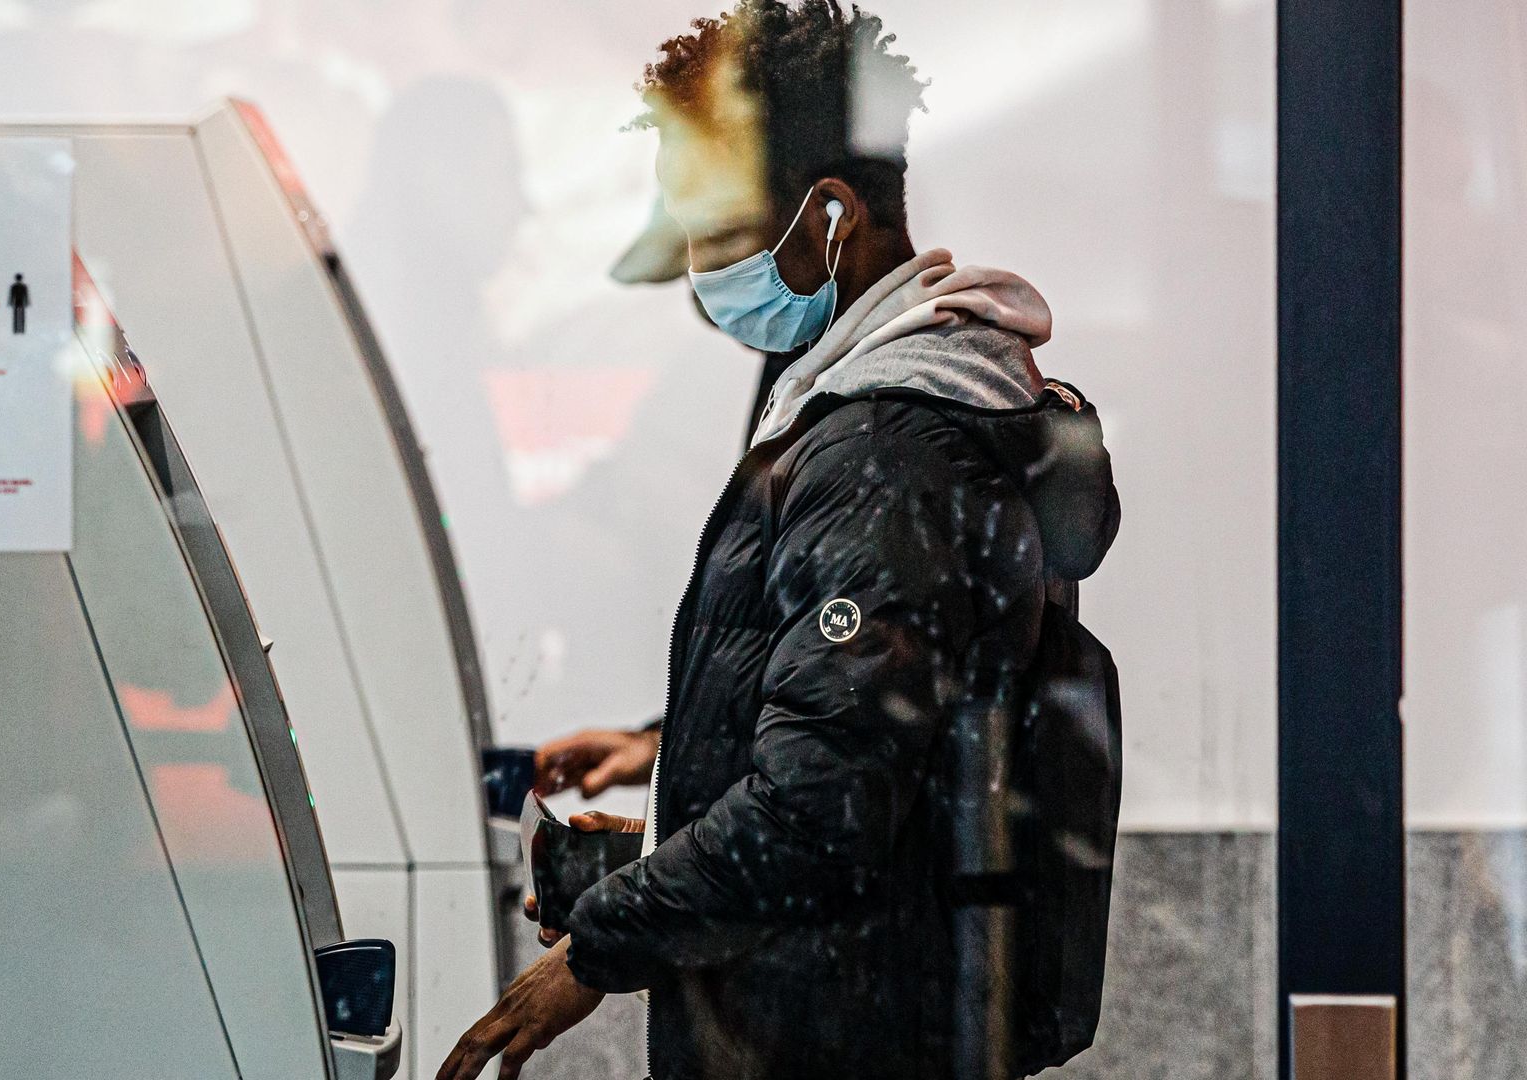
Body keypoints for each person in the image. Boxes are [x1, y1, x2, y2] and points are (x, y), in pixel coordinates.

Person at [439, 3, 1122, 1079]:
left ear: (830, 220)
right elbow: (873, 719)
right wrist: (673, 757)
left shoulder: (885, 451)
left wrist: (593, 953)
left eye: (717, 237)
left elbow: (817, 817)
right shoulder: (895, 421)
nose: (704, 287)